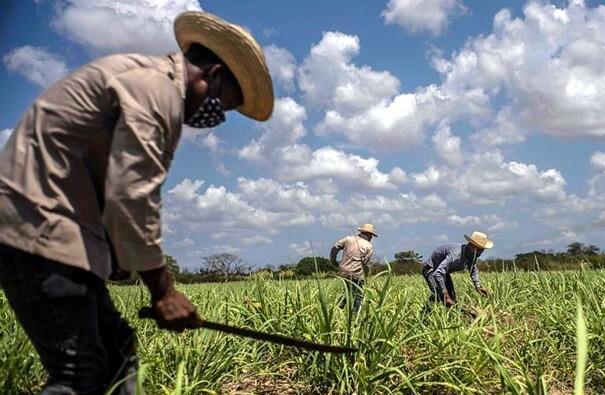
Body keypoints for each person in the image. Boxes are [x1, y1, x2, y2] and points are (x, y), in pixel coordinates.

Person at [0, 11, 273, 395]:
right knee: (80, 373)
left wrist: (114, 255)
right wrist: (163, 291)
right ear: (211, 76)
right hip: (38, 230)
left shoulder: (147, 82)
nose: (217, 117)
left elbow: (103, 176)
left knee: (117, 351)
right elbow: (131, 194)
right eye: (222, 104)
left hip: (58, 232)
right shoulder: (154, 90)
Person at [422, 231, 492, 312]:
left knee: (452, 298)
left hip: (444, 272)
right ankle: (422, 318)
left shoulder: (472, 255)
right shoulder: (456, 255)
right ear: (471, 245)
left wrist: (478, 286)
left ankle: (457, 318)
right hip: (431, 269)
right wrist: (445, 294)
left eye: (482, 250)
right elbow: (438, 273)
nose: (479, 253)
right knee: (439, 295)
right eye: (478, 249)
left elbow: (473, 268)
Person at [329, 224, 376, 315]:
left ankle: (337, 311)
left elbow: (335, 248)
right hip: (356, 273)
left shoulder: (348, 239)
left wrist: (334, 261)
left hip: (343, 271)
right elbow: (365, 263)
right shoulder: (368, 246)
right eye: (371, 236)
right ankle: (355, 315)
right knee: (358, 295)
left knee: (347, 292)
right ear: (369, 235)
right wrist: (366, 276)